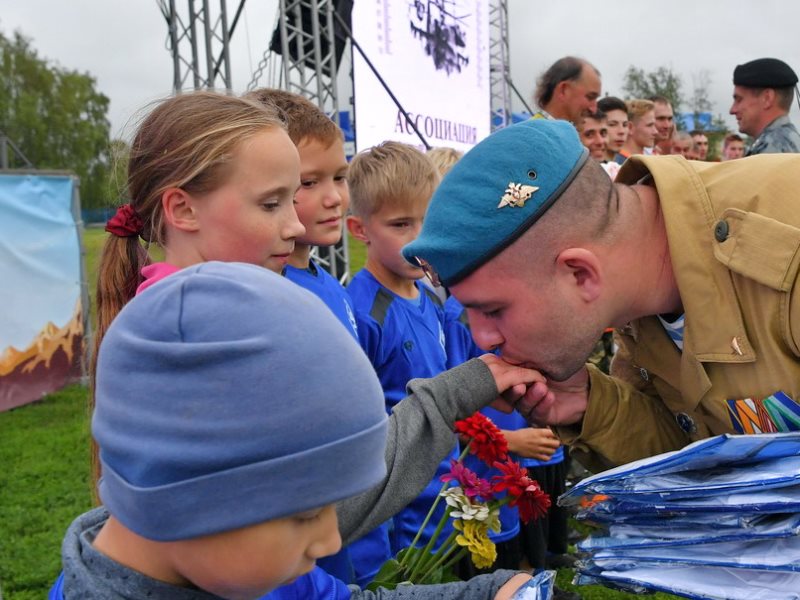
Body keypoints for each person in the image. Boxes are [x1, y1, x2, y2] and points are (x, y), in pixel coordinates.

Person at [89, 91, 546, 590]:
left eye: (296, 195)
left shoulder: (231, 321)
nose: (294, 221)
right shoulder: (203, 347)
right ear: (182, 208)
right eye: (272, 202)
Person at [52, 262, 534, 599]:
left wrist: (490, 591)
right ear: (180, 500)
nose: (330, 541)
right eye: (306, 514)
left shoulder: (263, 577)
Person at [403, 118, 800, 474]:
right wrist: (591, 406)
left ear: (580, 274)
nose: (483, 339)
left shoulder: (786, 234)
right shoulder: (637, 294)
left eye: (493, 310)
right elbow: (695, 450)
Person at [346, 141, 458, 557]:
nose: (418, 240)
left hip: (443, 504)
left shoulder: (431, 299)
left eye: (426, 222)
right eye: (400, 225)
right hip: (398, 527)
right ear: (360, 230)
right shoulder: (360, 311)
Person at [730, 57, 800, 155]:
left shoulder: (772, 149)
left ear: (767, 99)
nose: (732, 110)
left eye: (739, 99)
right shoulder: (790, 141)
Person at [533, 57, 601, 126]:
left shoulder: (541, 130)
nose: (594, 110)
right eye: (590, 97)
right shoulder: (535, 133)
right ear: (564, 90)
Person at [615, 99, 657, 164]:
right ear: (630, 127)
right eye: (649, 125)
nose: (655, 132)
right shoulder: (617, 165)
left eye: (654, 125)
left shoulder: (651, 161)